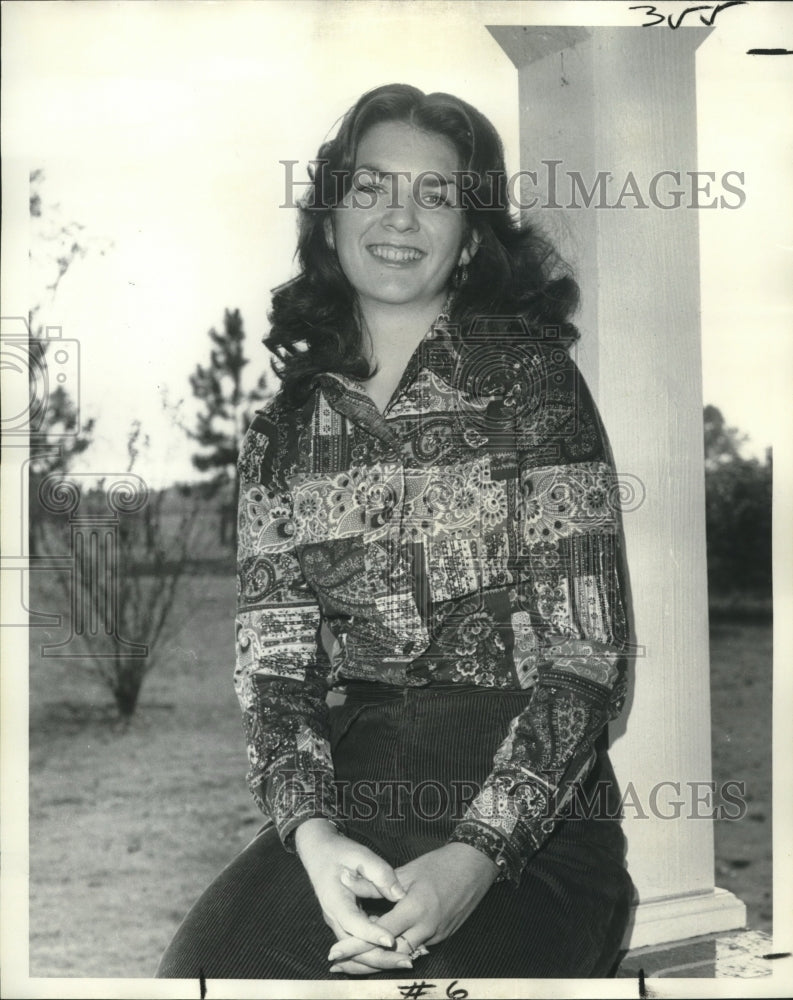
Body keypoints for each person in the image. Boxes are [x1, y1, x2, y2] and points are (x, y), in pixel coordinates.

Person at [156, 82, 635, 981]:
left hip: (537, 829)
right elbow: (276, 668)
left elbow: (587, 661)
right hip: (356, 796)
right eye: (372, 186)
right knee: (200, 978)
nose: (400, 217)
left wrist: (475, 858)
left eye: (436, 194)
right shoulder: (280, 434)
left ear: (469, 236)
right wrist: (312, 835)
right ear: (330, 211)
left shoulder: (532, 385)